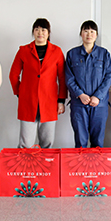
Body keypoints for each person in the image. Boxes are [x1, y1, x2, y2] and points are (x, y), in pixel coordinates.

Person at [9, 18, 67, 148]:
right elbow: (13, 75)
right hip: (28, 101)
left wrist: (61, 100)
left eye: (43, 30)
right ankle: (24, 162)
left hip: (50, 102)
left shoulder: (57, 51)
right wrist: (20, 93)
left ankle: (45, 162)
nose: (40, 33)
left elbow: (62, 78)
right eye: (37, 30)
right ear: (33, 32)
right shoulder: (24, 50)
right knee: (26, 144)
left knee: (47, 142)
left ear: (48, 32)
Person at [65, 20, 111, 147]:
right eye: (86, 31)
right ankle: (81, 161)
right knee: (80, 141)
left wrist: (98, 96)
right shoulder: (72, 54)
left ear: (96, 35)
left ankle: (96, 162)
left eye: (92, 32)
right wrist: (80, 94)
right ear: (81, 34)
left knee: (98, 142)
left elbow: (108, 77)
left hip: (99, 104)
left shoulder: (104, 54)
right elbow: (69, 78)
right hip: (79, 104)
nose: (89, 34)